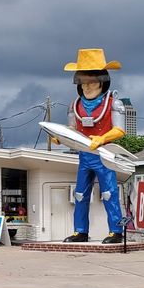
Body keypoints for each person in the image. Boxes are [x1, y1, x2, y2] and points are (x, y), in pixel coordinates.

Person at [58, 48, 126, 244]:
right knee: (79, 195)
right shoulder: (74, 106)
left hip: (104, 154)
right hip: (84, 156)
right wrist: (60, 138)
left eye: (92, 82)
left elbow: (119, 130)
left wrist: (102, 139)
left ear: (102, 82)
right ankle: (80, 231)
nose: (87, 87)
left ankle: (116, 230)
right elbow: (72, 129)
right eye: (83, 82)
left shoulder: (113, 104)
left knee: (109, 193)